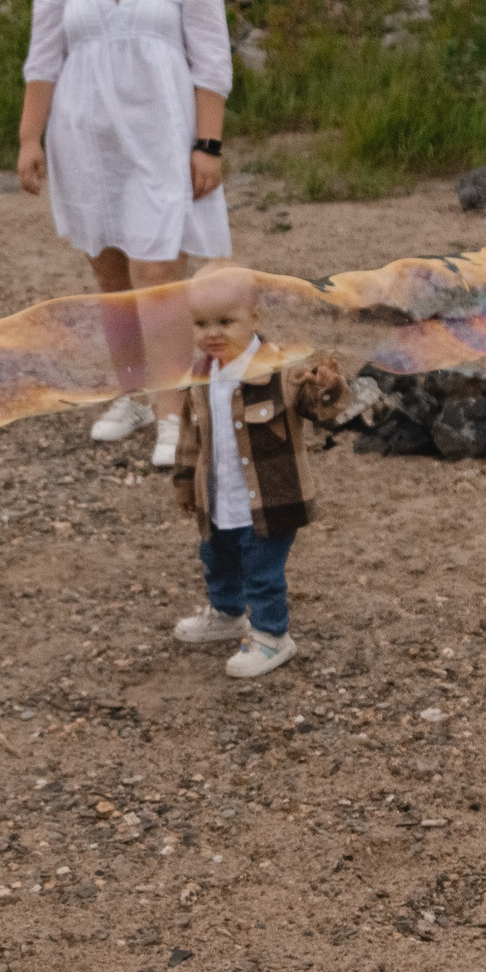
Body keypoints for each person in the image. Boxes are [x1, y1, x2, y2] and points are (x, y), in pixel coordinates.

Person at [17, 0, 234, 469]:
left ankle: (174, 412)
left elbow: (212, 63)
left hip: (161, 142)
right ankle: (130, 394)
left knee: (157, 277)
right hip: (85, 144)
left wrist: (207, 145)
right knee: (110, 277)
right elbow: (43, 63)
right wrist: (30, 139)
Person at [166, 265, 338, 679]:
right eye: (201, 323)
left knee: (262, 570)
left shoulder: (282, 370)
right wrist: (186, 481)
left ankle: (272, 635)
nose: (212, 333)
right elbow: (192, 436)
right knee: (217, 558)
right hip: (219, 496)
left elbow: (322, 411)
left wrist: (327, 387)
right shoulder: (202, 375)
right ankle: (227, 615)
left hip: (270, 497)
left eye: (225, 322)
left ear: (254, 318)